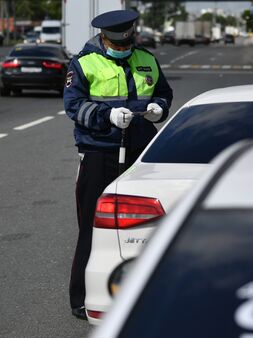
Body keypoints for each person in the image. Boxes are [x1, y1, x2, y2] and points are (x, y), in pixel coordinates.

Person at [63, 9, 173, 320]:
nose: (123, 49)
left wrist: (159, 109)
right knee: (92, 227)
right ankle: (82, 298)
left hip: (140, 153)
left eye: (127, 44)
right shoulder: (83, 63)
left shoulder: (146, 58)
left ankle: (140, 290)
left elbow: (164, 92)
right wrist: (105, 116)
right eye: (117, 45)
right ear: (104, 38)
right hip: (99, 152)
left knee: (142, 226)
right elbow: (73, 105)